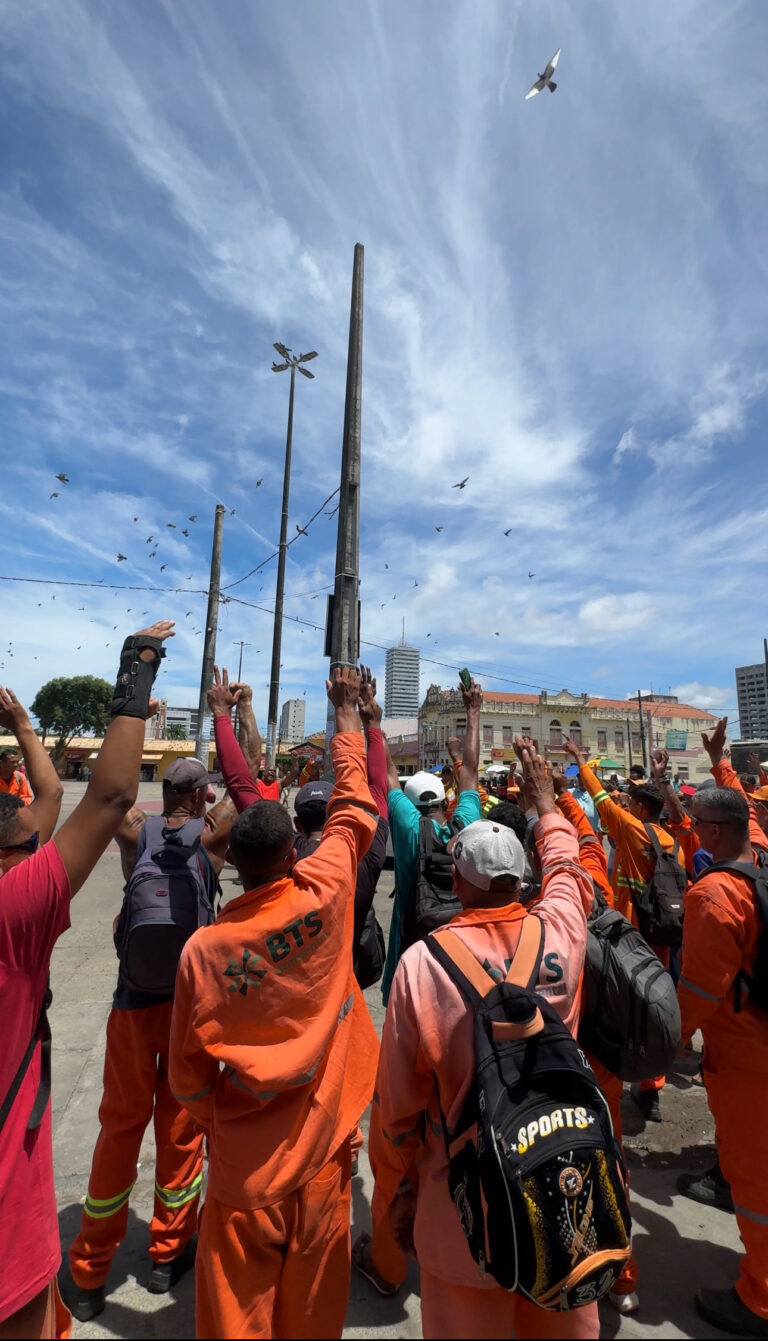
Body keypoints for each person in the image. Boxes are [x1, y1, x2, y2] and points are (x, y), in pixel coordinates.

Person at [170, 666, 380, 1339]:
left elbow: (187, 1079)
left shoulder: (205, 952)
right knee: (315, 1316)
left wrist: (226, 1120)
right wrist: (350, 715)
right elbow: (357, 803)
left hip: (245, 1173)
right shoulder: (326, 891)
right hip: (325, 1156)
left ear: (231, 858)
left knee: (235, 1320)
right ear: (296, 851)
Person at [369, 739, 598, 1340]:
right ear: (523, 879)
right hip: (564, 1189)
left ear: (459, 885)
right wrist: (548, 803)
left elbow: (396, 1109)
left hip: (462, 1207)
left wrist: (397, 1189)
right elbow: (571, 871)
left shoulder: (423, 964)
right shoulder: (562, 933)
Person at [0, 621, 174, 1341]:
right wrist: (136, 671)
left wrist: (22, 724)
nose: (35, 841)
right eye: (22, 844)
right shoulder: (13, 914)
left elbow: (49, 801)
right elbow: (103, 798)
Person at [63, 757, 234, 1322]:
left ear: (166, 791)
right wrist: (230, 716)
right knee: (179, 1131)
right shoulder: (212, 841)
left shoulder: (136, 831)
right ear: (203, 795)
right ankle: (166, 1255)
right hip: (188, 1008)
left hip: (132, 1001)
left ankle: (88, 1271)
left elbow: (109, 795)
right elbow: (250, 783)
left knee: (119, 1127)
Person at [678, 784, 768, 1337]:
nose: (688, 828)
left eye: (694, 822)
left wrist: (663, 1041)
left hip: (745, 1060)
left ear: (712, 832)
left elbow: (699, 991)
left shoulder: (714, 895)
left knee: (754, 1180)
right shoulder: (760, 868)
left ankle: (759, 1298)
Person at [563, 736, 685, 1122]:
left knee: (622, 1006)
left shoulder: (634, 833)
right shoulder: (675, 842)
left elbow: (598, 800)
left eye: (632, 801)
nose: (626, 804)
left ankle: (618, 1073)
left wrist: (581, 762)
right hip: (662, 937)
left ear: (642, 808)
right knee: (654, 1000)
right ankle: (652, 1091)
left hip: (628, 937)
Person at [381, 674, 483, 1005]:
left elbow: (389, 775)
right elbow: (469, 772)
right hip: (463, 963)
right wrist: (473, 712)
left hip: (410, 961)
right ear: (444, 801)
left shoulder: (409, 826)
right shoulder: (466, 824)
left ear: (411, 806)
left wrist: (373, 726)